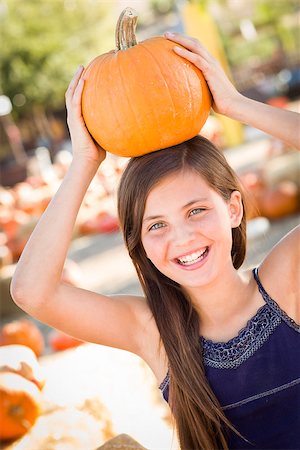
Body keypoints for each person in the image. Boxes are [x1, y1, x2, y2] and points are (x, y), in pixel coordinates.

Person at [11, 32, 299, 449]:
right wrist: (84, 164)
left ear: (233, 209)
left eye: (196, 210)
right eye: (156, 225)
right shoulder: (154, 332)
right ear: (140, 243)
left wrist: (235, 105)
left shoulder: (285, 282)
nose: (182, 237)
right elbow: (31, 291)